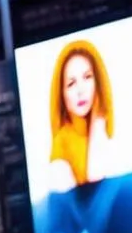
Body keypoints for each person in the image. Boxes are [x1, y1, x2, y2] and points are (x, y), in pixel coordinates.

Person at [48, 41, 114, 192]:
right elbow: (95, 184)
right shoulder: (61, 144)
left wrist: (98, 119)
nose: (80, 90)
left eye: (87, 77)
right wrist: (98, 123)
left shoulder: (105, 125)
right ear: (62, 94)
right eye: (71, 84)